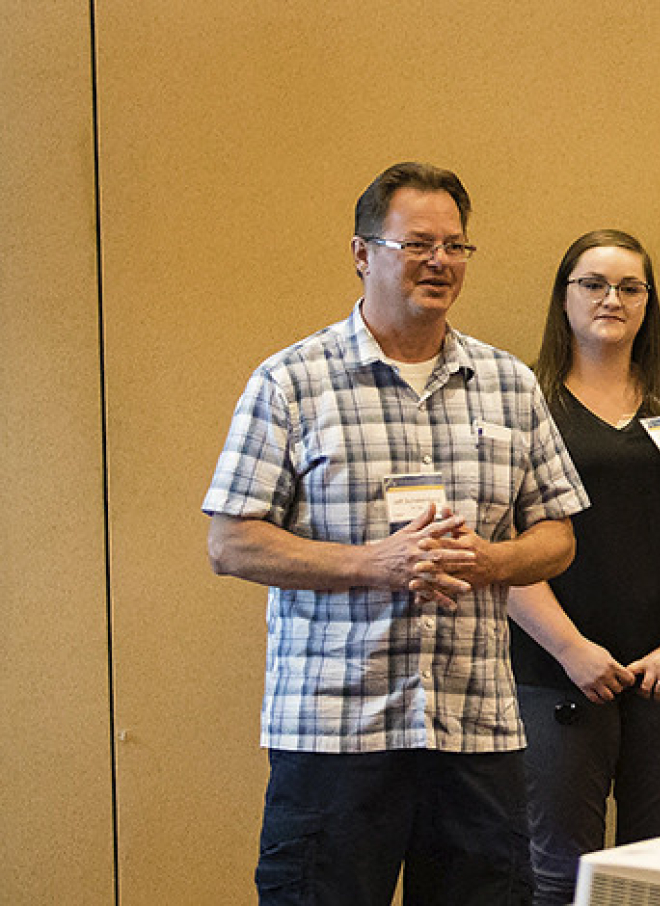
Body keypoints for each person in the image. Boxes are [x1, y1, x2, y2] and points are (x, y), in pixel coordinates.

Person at [203, 161, 589, 906]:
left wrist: (493, 560)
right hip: (334, 732)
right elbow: (231, 542)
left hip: (474, 728)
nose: (439, 261)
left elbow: (558, 536)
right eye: (417, 244)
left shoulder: (511, 384)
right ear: (362, 254)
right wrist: (373, 563)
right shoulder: (291, 381)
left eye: (455, 245)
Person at [507, 229, 660, 906]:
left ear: (648, 303)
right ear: (564, 297)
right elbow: (501, 548)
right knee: (556, 869)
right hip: (555, 670)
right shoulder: (524, 404)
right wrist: (571, 649)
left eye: (630, 286)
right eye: (593, 283)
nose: (612, 299)